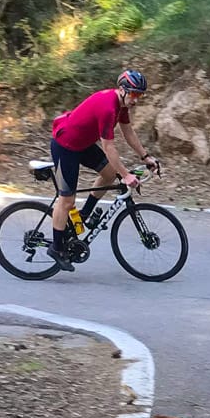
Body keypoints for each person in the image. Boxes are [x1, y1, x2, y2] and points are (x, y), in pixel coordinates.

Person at [49, 70, 161, 271]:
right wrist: (126, 175)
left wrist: (146, 157)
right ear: (122, 90)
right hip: (64, 146)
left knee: (109, 174)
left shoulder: (121, 105)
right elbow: (109, 147)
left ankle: (84, 215)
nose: (136, 100)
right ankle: (56, 249)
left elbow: (128, 132)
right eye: (134, 94)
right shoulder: (108, 108)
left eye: (140, 95)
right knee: (66, 201)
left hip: (81, 144)